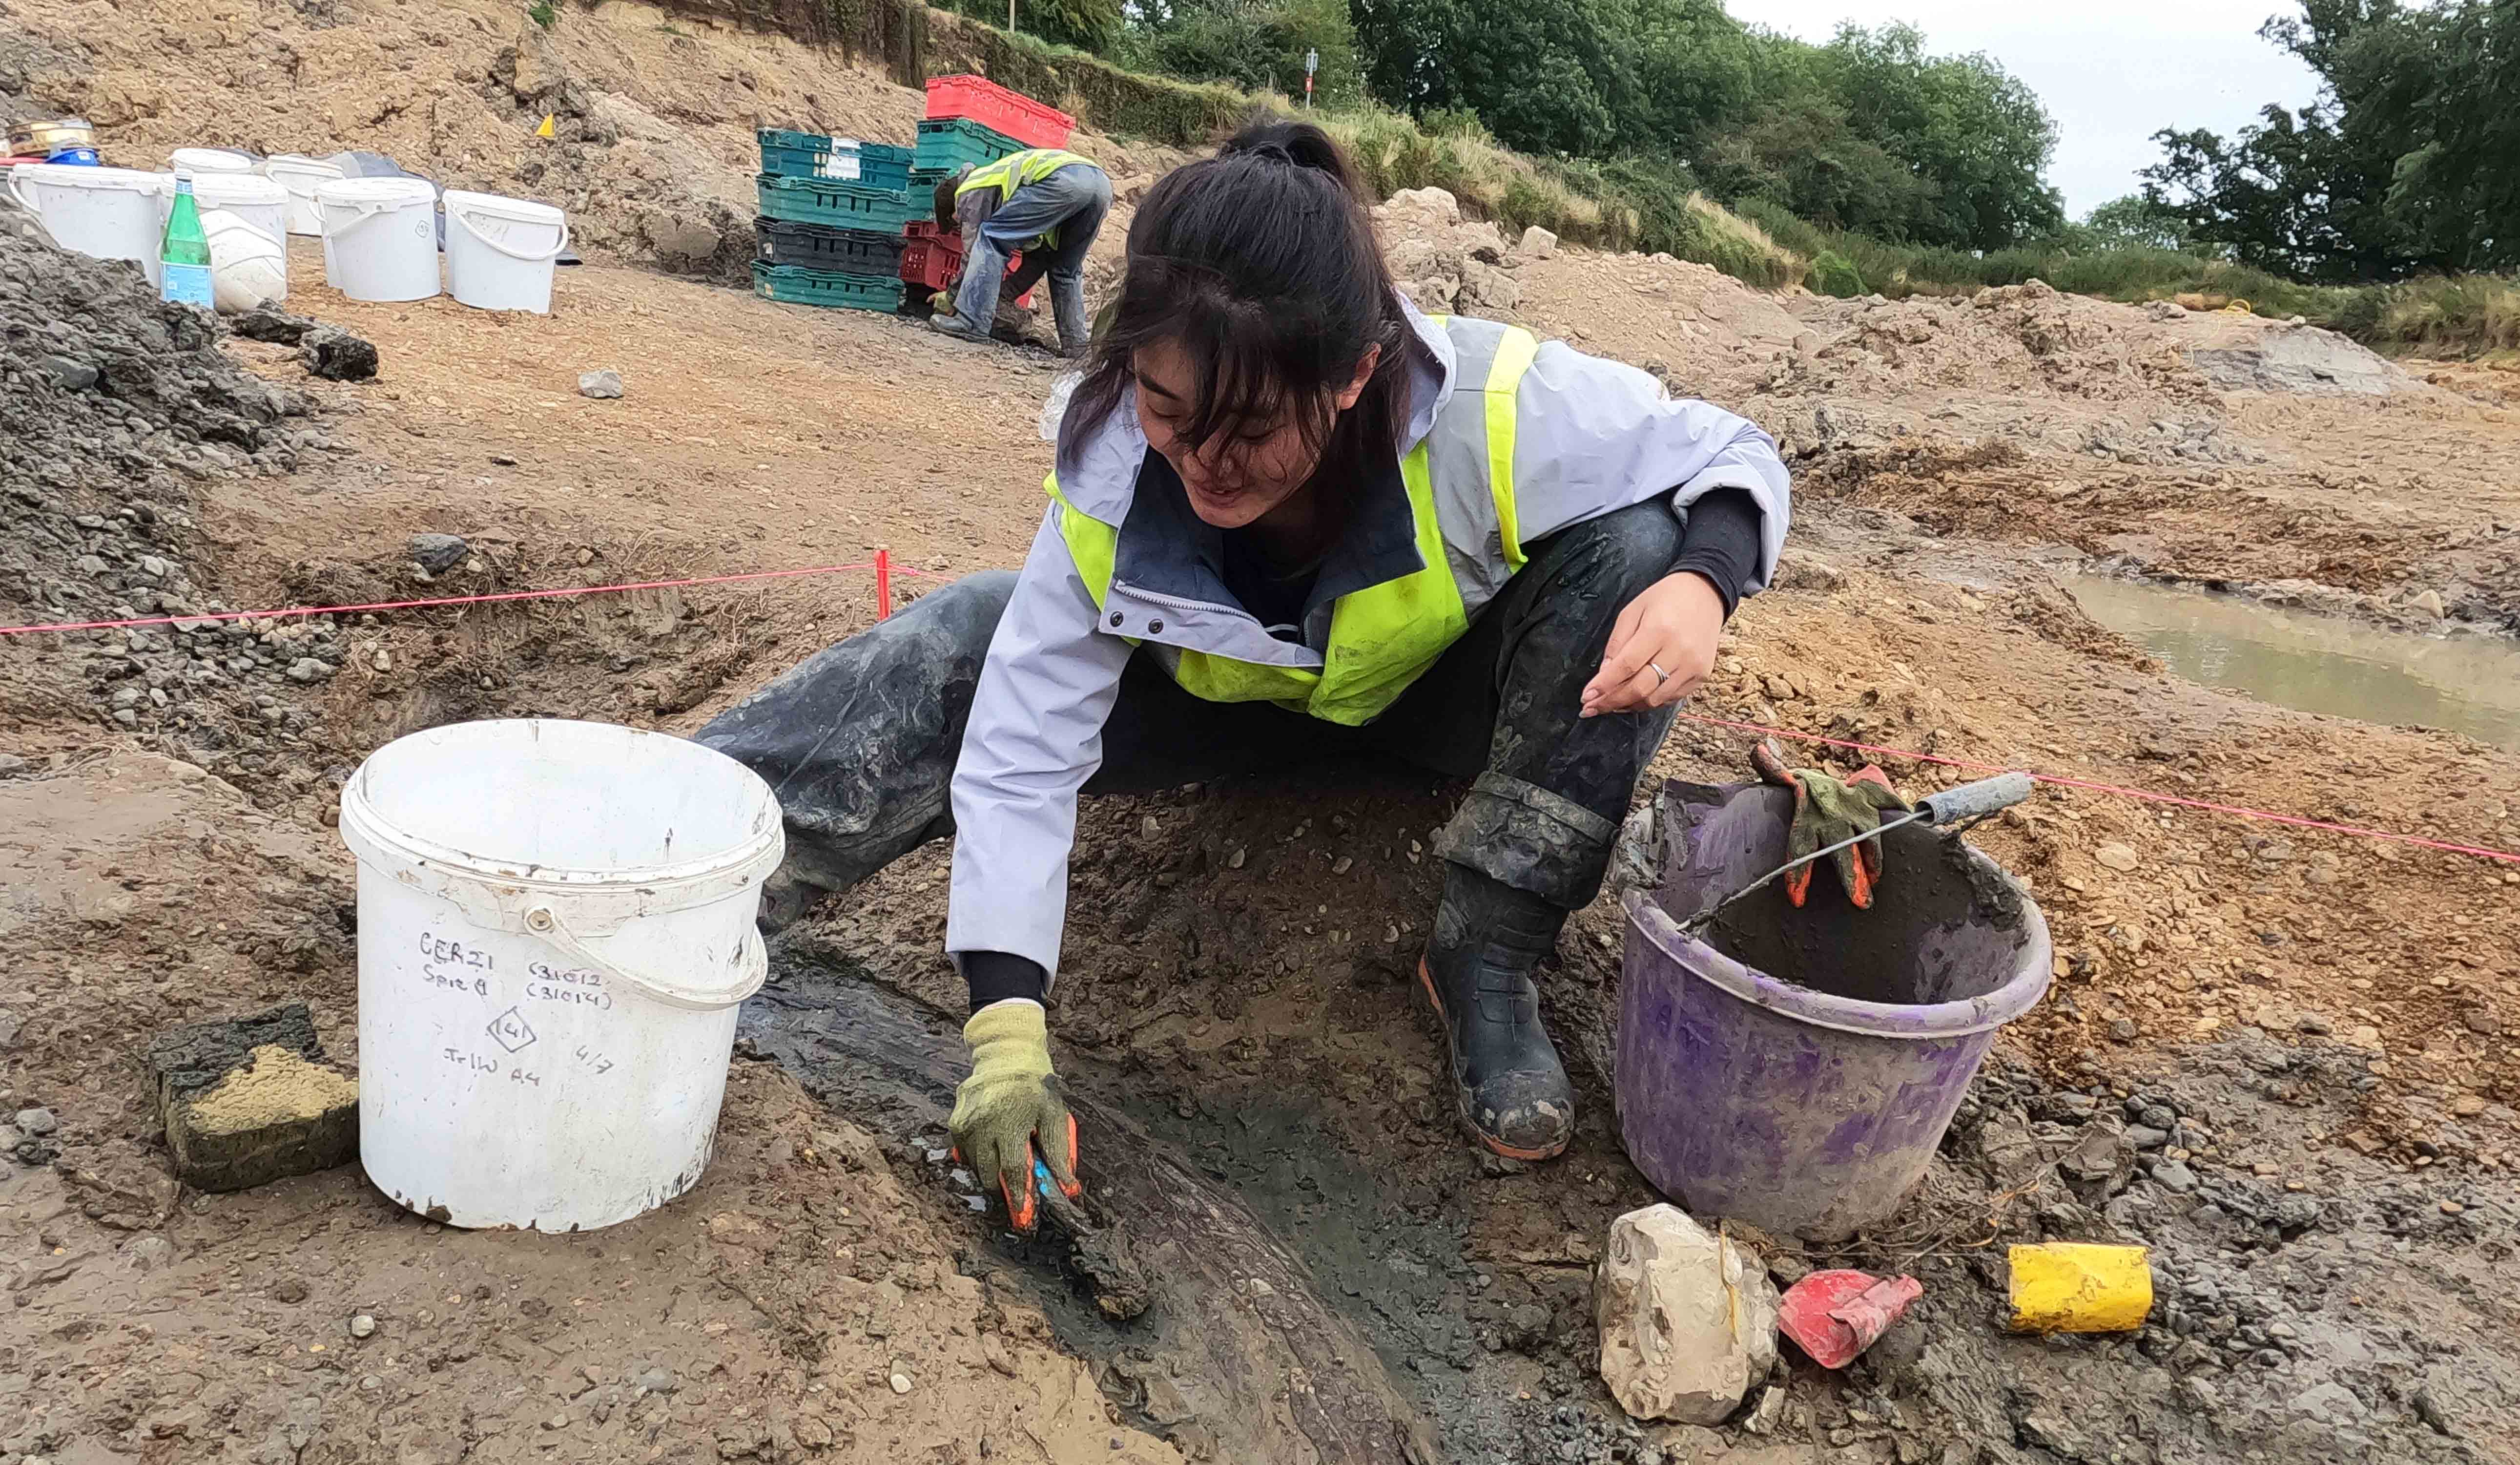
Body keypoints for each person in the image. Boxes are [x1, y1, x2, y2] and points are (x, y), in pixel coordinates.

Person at [698, 120, 1790, 1233]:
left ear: (1356, 371)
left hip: (1441, 706)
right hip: (1220, 709)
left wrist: (1705, 580)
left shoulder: (1496, 407)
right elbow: (1022, 756)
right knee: (971, 632)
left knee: (1642, 547)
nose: (1208, 462)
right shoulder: (1114, 462)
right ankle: (680, 876)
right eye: (1170, 409)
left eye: (1255, 426)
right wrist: (1006, 1031)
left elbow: (1727, 450)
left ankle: (1488, 952)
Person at [928, 147, 1111, 356]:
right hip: (1101, 184)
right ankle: (1076, 346)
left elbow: (974, 253)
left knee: (990, 239)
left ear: (954, 206)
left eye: (956, 221)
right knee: (1064, 268)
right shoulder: (997, 177)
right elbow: (1039, 261)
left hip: (1063, 180)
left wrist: (952, 296)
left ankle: (972, 322)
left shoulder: (971, 189)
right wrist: (1005, 294)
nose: (960, 224)